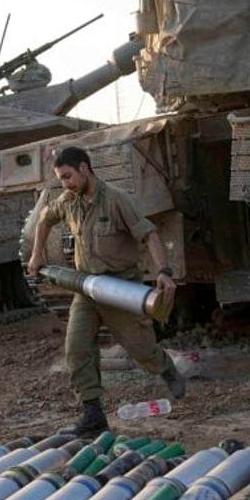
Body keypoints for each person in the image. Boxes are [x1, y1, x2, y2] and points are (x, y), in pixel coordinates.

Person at [27, 146, 185, 437]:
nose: (66, 184)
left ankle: (166, 369)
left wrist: (163, 271)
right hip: (87, 289)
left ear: (85, 168)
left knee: (141, 350)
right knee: (76, 349)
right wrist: (37, 255)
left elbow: (149, 234)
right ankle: (93, 414)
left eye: (68, 176)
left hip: (121, 288)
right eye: (61, 179)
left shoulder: (116, 200)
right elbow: (45, 220)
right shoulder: (68, 200)